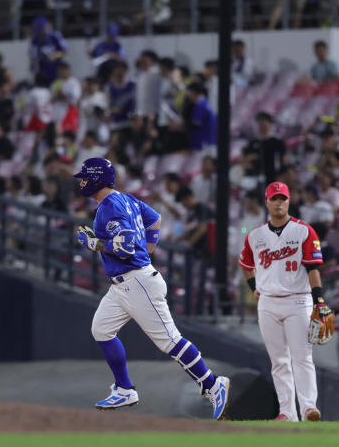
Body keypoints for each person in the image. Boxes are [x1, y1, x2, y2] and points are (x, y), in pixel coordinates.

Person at [73, 157, 230, 417]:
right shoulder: (126, 199)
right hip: (125, 283)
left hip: (136, 282)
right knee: (101, 329)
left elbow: (123, 247)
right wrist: (146, 253)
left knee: (170, 341)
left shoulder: (109, 206)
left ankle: (214, 385)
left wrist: (94, 243)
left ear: (98, 178)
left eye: (86, 177)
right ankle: (124, 389)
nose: (82, 181)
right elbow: (155, 220)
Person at [239, 182, 332, 422]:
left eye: (283, 198)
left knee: (302, 357)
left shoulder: (304, 231)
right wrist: (254, 288)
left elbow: (313, 269)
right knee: (278, 360)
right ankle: (287, 412)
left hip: (297, 301)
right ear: (267, 202)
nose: (279, 202)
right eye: (274, 198)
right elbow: (246, 267)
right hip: (268, 303)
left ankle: (309, 407)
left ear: (289, 201)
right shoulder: (255, 235)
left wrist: (319, 301)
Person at [248, 112, 287, 186]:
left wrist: (281, 174)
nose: (262, 125)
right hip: (256, 177)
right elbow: (246, 161)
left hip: (273, 176)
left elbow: (283, 159)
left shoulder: (276, 141)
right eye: (260, 123)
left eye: (264, 122)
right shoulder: (253, 142)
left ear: (269, 123)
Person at [29, 16, 67, 84]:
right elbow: (32, 53)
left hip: (55, 68)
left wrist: (55, 56)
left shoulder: (55, 36)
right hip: (42, 69)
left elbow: (64, 51)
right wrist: (31, 64)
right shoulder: (35, 39)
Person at [50, 62, 81, 134]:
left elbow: (75, 99)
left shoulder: (74, 82)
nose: (62, 72)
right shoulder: (56, 83)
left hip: (68, 111)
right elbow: (50, 99)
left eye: (64, 70)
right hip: (56, 112)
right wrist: (56, 96)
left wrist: (63, 95)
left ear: (68, 70)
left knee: (67, 134)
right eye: (60, 71)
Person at [186, 82, 217, 151]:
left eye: (188, 92)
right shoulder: (205, 102)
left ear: (193, 92)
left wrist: (182, 125)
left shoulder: (200, 105)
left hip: (203, 142)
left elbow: (196, 124)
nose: (187, 95)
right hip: (208, 140)